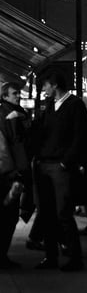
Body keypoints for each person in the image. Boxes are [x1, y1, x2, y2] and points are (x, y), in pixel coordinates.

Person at [33, 71, 87, 271]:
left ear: (54, 85)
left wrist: (66, 162)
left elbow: (79, 136)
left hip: (60, 166)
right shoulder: (49, 107)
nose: (44, 90)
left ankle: (75, 258)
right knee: (47, 213)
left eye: (45, 86)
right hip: (45, 164)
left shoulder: (74, 105)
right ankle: (51, 257)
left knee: (63, 213)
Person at [0, 81, 31, 269]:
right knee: (8, 215)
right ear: (5, 96)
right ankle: (2, 256)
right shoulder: (10, 115)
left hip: (6, 170)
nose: (18, 96)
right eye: (14, 93)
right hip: (8, 171)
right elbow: (18, 144)